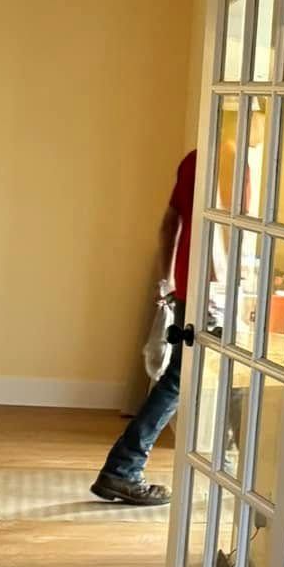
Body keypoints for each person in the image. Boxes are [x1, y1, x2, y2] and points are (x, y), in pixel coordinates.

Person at [91, 151, 196, 506]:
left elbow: (169, 225)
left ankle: (123, 468)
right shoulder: (234, 159)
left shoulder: (193, 159)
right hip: (214, 291)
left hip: (188, 287)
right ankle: (123, 469)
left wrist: (167, 279)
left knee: (199, 379)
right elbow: (224, 237)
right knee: (186, 379)